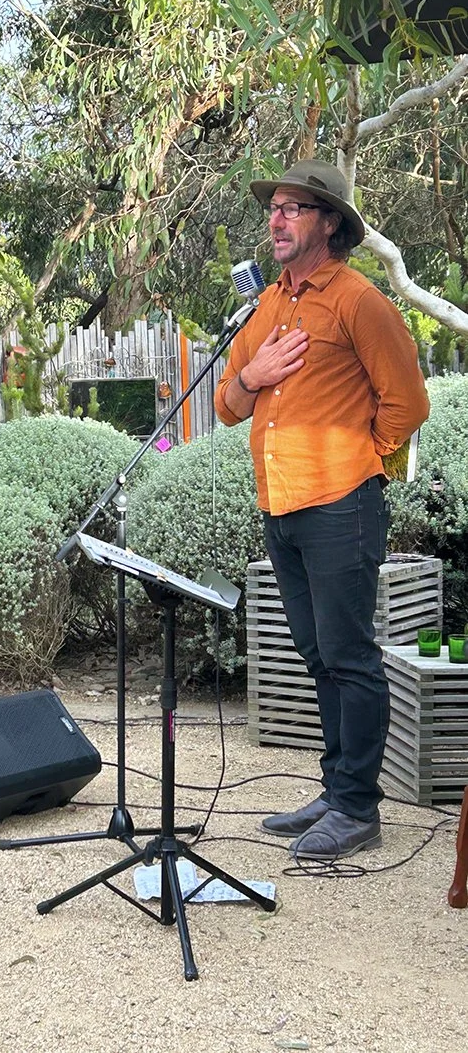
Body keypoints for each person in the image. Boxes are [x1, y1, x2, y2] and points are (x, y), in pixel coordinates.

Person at [214, 159, 430, 861]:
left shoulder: (360, 301)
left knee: (348, 656)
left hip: (341, 504)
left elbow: (408, 403)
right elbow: (226, 404)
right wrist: (253, 375)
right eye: (273, 208)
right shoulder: (268, 305)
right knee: (316, 655)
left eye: (293, 208)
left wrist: (363, 458)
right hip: (279, 506)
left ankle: (357, 808)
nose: (275, 220)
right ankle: (335, 792)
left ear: (329, 222)